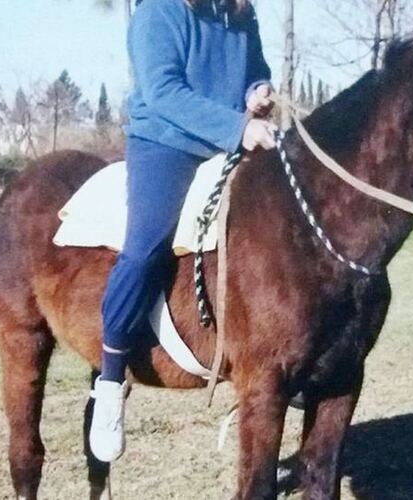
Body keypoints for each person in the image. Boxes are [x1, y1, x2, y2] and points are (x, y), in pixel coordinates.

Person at [89, 0, 277, 463]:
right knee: (146, 246)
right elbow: (163, 91)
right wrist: (239, 125)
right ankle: (111, 380)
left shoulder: (239, 11)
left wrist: (258, 90)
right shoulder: (159, 11)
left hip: (230, 140)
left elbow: (256, 68)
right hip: (166, 144)